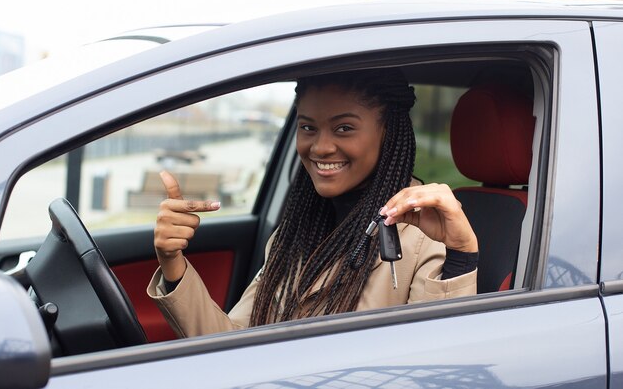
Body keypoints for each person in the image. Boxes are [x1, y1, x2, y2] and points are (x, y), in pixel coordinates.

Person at [147, 68, 478, 338]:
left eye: (344, 128)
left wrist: (461, 254)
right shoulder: (295, 232)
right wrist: (173, 263)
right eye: (308, 127)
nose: (320, 147)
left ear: (388, 132)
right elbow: (232, 345)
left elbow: (433, 360)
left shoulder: (422, 234)